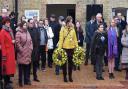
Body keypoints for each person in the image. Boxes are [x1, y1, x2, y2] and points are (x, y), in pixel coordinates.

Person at [58, 16, 78, 82]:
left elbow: (75, 39)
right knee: (64, 64)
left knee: (70, 63)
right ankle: (64, 76)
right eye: (70, 22)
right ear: (67, 22)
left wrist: (77, 47)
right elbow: (61, 40)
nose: (71, 23)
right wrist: (59, 49)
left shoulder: (73, 29)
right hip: (64, 48)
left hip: (71, 48)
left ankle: (70, 76)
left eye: (72, 22)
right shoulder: (63, 29)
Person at [15, 21, 33, 87]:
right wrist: (21, 50)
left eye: (26, 25)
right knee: (21, 69)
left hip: (28, 53)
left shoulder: (28, 32)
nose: (25, 26)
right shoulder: (18, 33)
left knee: (27, 68)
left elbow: (31, 41)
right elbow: (17, 43)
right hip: (21, 54)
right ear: (21, 26)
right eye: (24, 25)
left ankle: (26, 80)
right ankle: (20, 81)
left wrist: (31, 48)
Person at [0, 17, 16, 88]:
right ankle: (6, 84)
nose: (8, 23)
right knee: (6, 69)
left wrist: (13, 41)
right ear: (4, 23)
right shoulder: (2, 31)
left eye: (9, 22)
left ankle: (8, 83)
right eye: (7, 22)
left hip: (11, 53)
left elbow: (10, 40)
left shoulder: (9, 30)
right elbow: (2, 44)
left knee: (10, 69)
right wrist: (3, 55)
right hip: (6, 53)